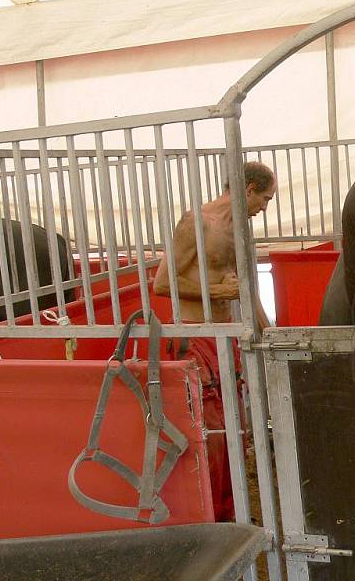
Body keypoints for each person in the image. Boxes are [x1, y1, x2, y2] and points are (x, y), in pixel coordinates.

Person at [153, 161, 276, 521]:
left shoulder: (241, 230)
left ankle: (231, 510)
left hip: (225, 336)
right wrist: (218, 290)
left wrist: (269, 332)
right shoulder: (196, 223)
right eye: (265, 198)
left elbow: (247, 288)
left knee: (233, 428)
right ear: (249, 188)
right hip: (196, 337)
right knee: (212, 435)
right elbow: (162, 284)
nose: (265, 208)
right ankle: (211, 517)